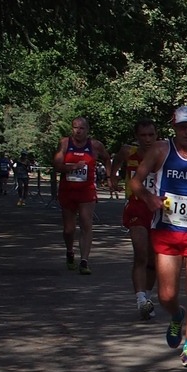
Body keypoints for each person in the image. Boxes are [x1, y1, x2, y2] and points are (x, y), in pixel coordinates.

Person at [130, 106, 187, 367]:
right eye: (183, 126)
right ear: (174, 127)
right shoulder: (160, 150)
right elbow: (136, 182)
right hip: (167, 229)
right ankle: (176, 315)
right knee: (166, 295)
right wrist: (149, 198)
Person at [111, 119, 159, 321]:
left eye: (151, 135)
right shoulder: (128, 152)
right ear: (137, 137)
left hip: (158, 210)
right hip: (137, 206)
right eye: (143, 135)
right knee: (140, 253)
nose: (147, 139)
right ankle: (140, 299)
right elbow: (116, 163)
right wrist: (112, 177)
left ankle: (147, 297)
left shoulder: (163, 153)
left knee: (153, 260)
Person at [53, 117, 111, 275]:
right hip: (68, 190)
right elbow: (57, 166)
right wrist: (73, 166)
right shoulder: (65, 143)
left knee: (86, 223)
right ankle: (70, 251)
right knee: (68, 229)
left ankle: (84, 261)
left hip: (86, 190)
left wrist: (109, 177)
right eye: (75, 128)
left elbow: (107, 159)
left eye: (81, 128)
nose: (78, 131)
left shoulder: (95, 145)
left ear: (87, 130)